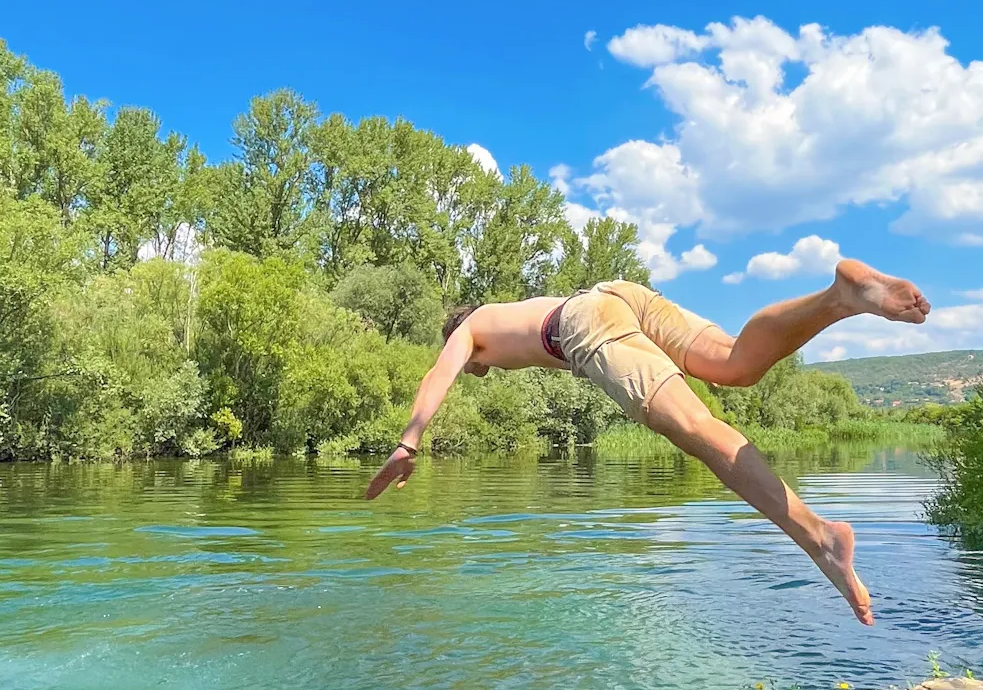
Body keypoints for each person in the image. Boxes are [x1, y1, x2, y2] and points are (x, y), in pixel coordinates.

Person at [366, 259, 930, 625]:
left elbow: (436, 375)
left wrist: (409, 442)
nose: (474, 370)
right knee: (737, 362)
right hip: (617, 296)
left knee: (697, 430)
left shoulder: (469, 328)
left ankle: (821, 540)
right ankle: (838, 297)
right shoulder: (505, 310)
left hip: (583, 323)